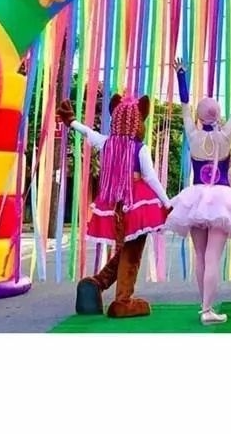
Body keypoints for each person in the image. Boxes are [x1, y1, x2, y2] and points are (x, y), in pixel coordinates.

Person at [57, 93, 172, 318]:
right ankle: (123, 301)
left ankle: (96, 283)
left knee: (125, 250)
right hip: (137, 204)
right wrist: (167, 202)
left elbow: (88, 133)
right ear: (138, 122)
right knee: (132, 253)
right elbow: (150, 178)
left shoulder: (107, 143)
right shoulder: (140, 148)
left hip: (115, 205)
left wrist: (71, 122)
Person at [165, 57, 231, 325]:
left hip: (195, 200)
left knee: (201, 256)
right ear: (217, 114)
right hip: (221, 200)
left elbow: (184, 105)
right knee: (214, 256)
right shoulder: (225, 135)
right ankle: (207, 309)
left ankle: (205, 306)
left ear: (200, 116)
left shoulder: (193, 134)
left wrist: (181, 75)